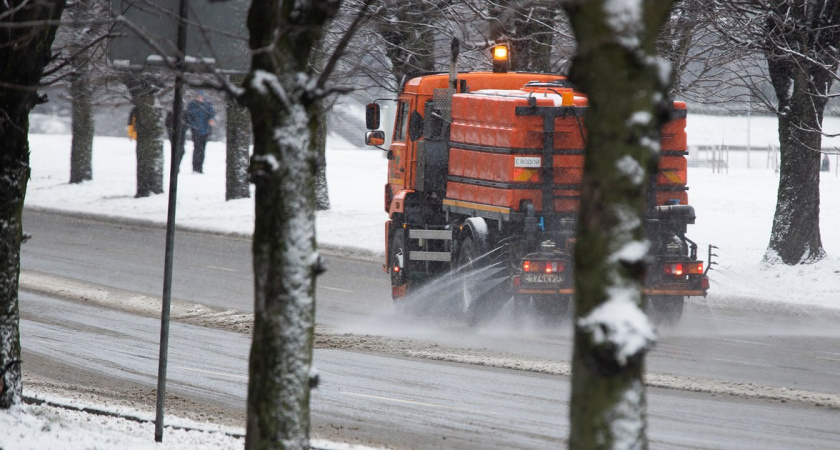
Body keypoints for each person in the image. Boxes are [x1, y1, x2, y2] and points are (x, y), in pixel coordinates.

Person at [185, 91, 216, 173]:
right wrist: (194, 126)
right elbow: (189, 117)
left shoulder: (207, 105)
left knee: (202, 150)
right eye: (198, 96)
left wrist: (211, 120)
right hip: (196, 131)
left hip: (205, 131)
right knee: (196, 149)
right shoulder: (192, 105)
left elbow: (212, 114)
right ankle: (195, 167)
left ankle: (200, 167)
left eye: (201, 96)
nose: (200, 97)